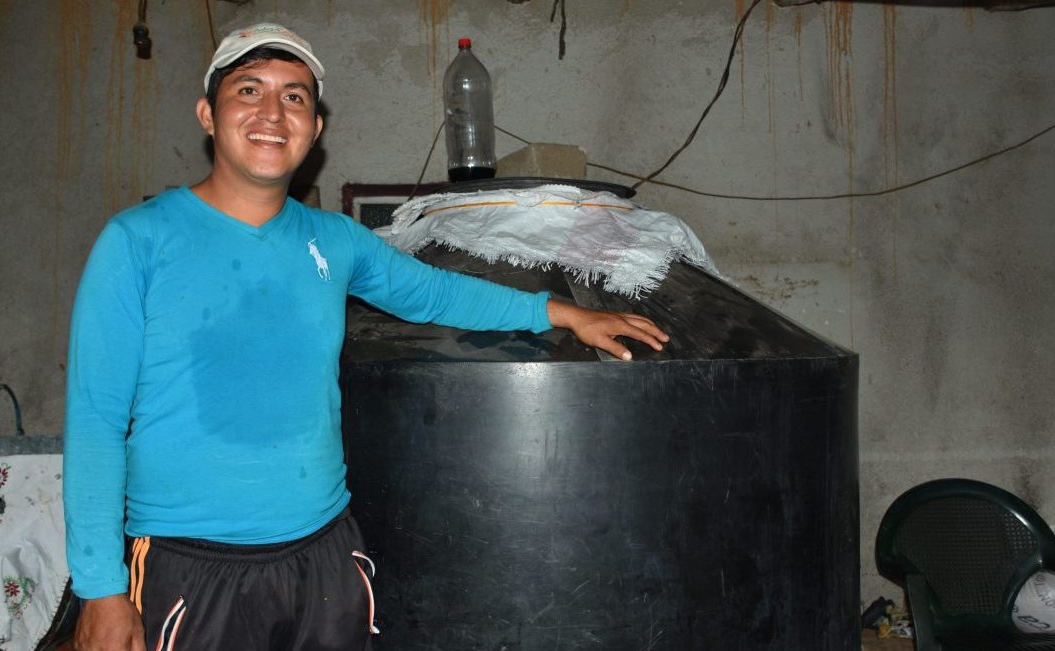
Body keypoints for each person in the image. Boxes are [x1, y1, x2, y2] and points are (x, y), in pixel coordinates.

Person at [64, 22, 668, 651]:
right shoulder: (137, 242)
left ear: (315, 128)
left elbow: (439, 292)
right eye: (249, 90)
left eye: (294, 97)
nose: (273, 113)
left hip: (323, 554)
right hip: (190, 566)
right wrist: (101, 590)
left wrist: (562, 311)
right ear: (207, 116)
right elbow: (95, 420)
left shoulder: (337, 241)